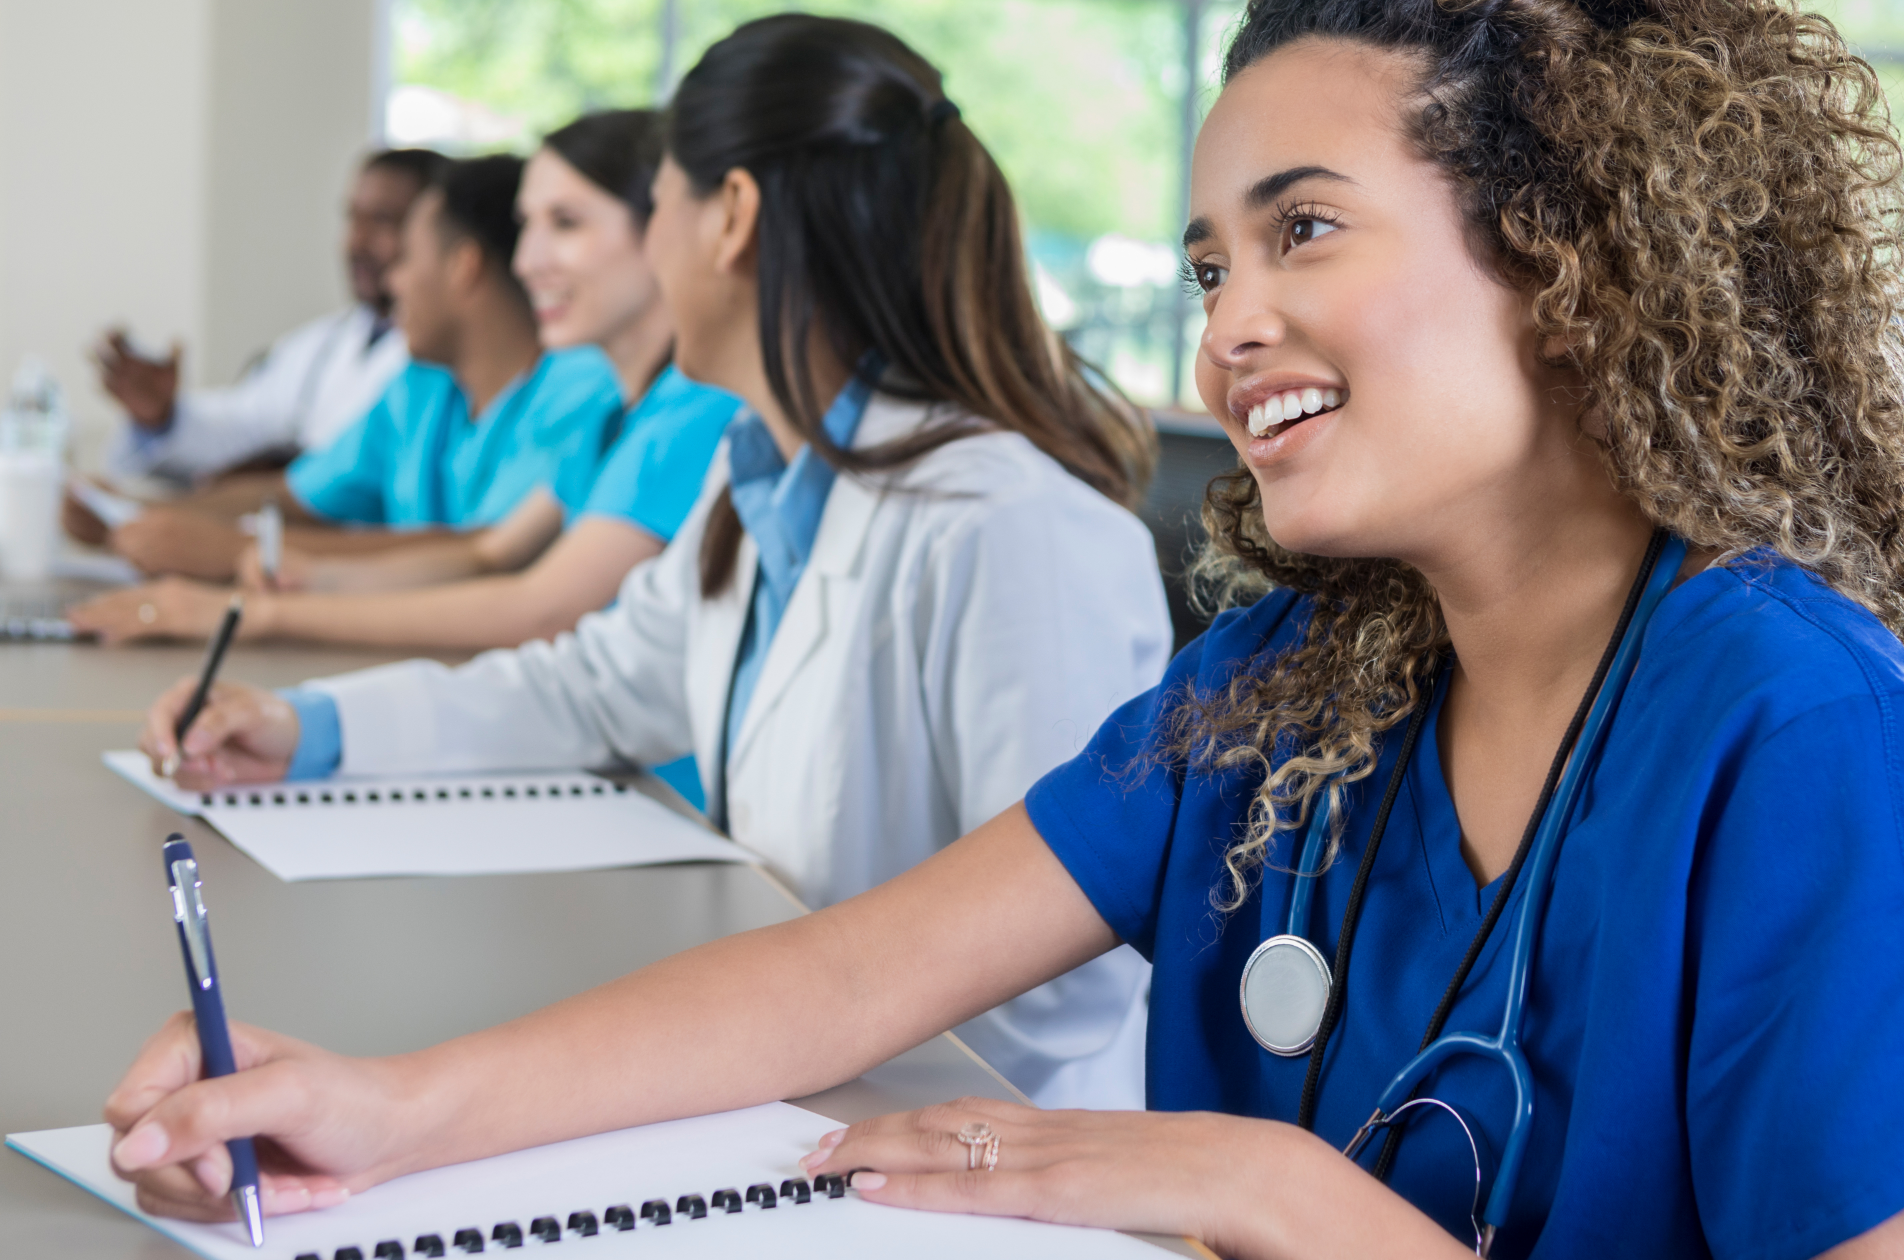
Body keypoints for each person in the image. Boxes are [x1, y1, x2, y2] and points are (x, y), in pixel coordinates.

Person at [105, 2, 1904, 1255]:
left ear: (1565, 261)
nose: (1229, 325)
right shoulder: (1301, 682)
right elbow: (846, 980)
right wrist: (384, 1107)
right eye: (1209, 260)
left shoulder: (1798, 735)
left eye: (1303, 231)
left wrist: (1290, 1198)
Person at [118, 16, 1165, 1109]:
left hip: (970, 1141)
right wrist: (310, 731)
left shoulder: (1004, 525)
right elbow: (592, 686)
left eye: (653, 201)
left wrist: (749, 1039)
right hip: (790, 1085)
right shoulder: (756, 471)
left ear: (732, 219)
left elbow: (1061, 986)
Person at [69, 111, 738, 652]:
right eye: (529, 226)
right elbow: (492, 550)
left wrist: (245, 607)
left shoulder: (683, 409)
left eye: (565, 223)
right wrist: (294, 574)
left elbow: (535, 604)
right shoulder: (619, 410)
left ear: (665, 228)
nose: (528, 260)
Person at [87, 155, 626, 584]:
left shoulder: (584, 389)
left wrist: (245, 551)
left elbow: (492, 551)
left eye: (406, 257)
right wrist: (135, 516)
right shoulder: (424, 387)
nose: (392, 283)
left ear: (464, 266)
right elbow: (298, 496)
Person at [92, 149, 446, 488]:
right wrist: (161, 415)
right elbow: (242, 424)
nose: (356, 242)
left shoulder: (448, 356)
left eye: (383, 221)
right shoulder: (325, 342)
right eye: (352, 218)